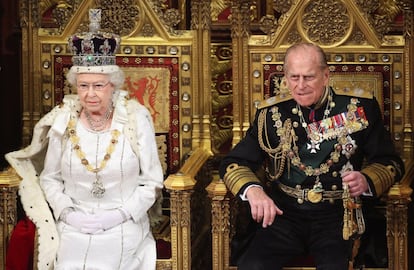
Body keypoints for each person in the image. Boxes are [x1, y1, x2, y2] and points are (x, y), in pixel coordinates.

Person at [219, 42, 405, 270]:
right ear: (285, 77)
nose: (300, 86)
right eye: (293, 77)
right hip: (283, 215)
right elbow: (234, 162)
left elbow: (391, 163)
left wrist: (366, 180)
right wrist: (254, 190)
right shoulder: (271, 113)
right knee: (252, 266)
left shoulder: (357, 108)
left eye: (308, 77)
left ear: (325, 76)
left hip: (339, 215)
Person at [5, 9, 163, 270]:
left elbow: (152, 182)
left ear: (113, 85)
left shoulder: (136, 118)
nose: (90, 94)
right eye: (83, 85)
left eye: (98, 85)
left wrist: (119, 215)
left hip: (123, 224)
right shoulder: (63, 120)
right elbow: (50, 178)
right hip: (73, 225)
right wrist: (68, 213)